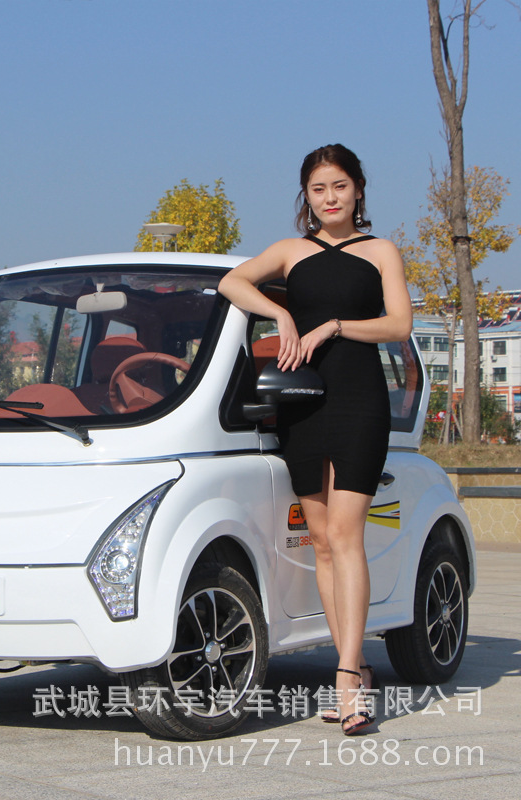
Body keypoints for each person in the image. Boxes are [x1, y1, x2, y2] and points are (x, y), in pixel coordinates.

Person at [218, 144, 413, 735]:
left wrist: (333, 326)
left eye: (340, 186)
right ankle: (355, 668)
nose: (330, 198)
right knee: (323, 541)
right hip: (303, 404)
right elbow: (232, 282)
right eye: (319, 189)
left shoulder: (380, 251)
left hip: (359, 402)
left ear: (358, 190)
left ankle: (348, 675)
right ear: (306, 195)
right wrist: (280, 316)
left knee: (347, 534)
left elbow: (399, 323)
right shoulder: (289, 251)